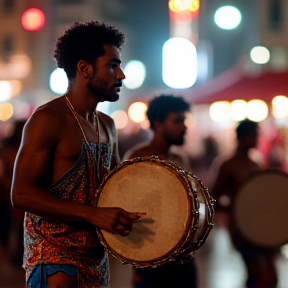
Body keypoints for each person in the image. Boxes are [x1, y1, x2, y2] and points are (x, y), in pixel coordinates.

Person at [11, 21, 143, 288]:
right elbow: (21, 193)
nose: (121, 75)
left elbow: (115, 189)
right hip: (53, 260)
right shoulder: (48, 119)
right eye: (112, 65)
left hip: (96, 260)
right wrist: (92, 214)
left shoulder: (107, 125)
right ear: (84, 68)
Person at [123, 95, 198, 288]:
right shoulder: (137, 157)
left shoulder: (180, 159)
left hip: (182, 257)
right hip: (150, 258)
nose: (184, 127)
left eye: (184, 120)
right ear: (158, 123)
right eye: (177, 120)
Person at [210, 119, 278, 288]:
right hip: (241, 229)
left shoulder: (254, 164)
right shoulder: (228, 165)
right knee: (258, 274)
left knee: (266, 276)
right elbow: (213, 197)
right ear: (245, 137)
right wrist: (235, 208)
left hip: (260, 226)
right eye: (255, 135)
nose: (257, 139)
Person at [0, 120, 26, 265]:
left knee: (18, 227)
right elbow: (4, 175)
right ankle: (15, 256)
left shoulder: (22, 150)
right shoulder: (9, 152)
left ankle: (17, 256)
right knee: (12, 225)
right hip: (10, 194)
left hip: (17, 192)